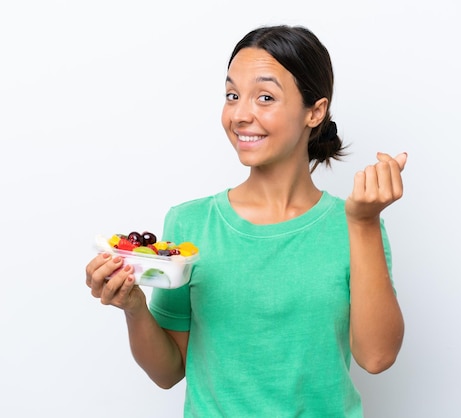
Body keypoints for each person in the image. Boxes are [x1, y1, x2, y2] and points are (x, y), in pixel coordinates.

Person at [86, 24, 406, 417]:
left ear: (315, 111)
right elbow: (169, 372)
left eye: (265, 97)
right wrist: (134, 307)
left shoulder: (354, 226)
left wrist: (364, 223)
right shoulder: (190, 225)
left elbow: (376, 357)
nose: (240, 115)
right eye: (232, 95)